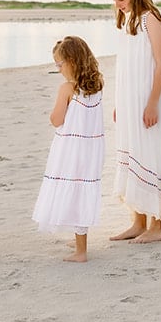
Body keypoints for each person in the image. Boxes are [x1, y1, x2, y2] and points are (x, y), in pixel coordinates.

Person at [106, 0, 161, 242]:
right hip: (129, 99)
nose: (117, 4)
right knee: (132, 152)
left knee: (149, 155)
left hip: (147, 98)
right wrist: (120, 102)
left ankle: (156, 226)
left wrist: (152, 103)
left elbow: (160, 63)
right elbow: (126, 64)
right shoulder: (127, 18)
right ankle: (138, 221)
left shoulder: (150, 19)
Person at [32, 36, 105, 261]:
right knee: (81, 189)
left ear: (71, 61)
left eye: (59, 64)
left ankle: (81, 251)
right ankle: (79, 240)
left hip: (70, 149)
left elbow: (56, 120)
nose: (58, 69)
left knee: (72, 189)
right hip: (91, 148)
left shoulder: (67, 88)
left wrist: (51, 115)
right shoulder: (98, 84)